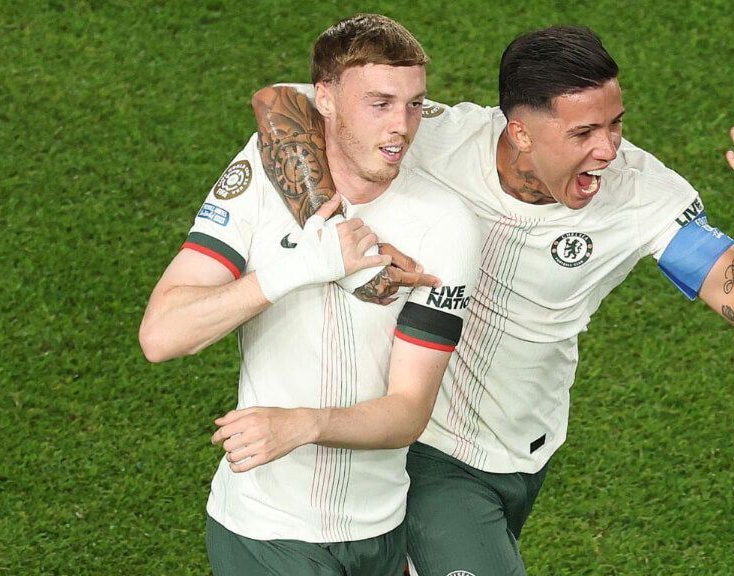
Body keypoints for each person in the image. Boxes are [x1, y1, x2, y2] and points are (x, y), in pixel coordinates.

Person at [251, 25, 734, 576]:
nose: (608, 150)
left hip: (522, 450)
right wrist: (340, 237)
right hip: (428, 446)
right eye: (583, 133)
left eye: (615, 125)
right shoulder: (440, 138)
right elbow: (281, 101)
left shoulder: (643, 195)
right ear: (520, 132)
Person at [139, 14, 482, 576]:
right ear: (324, 98)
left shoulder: (444, 223)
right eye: (379, 103)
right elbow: (161, 336)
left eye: (415, 104)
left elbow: (407, 412)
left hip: (382, 531)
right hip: (267, 533)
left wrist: (304, 423)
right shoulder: (261, 178)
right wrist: (298, 267)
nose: (401, 127)